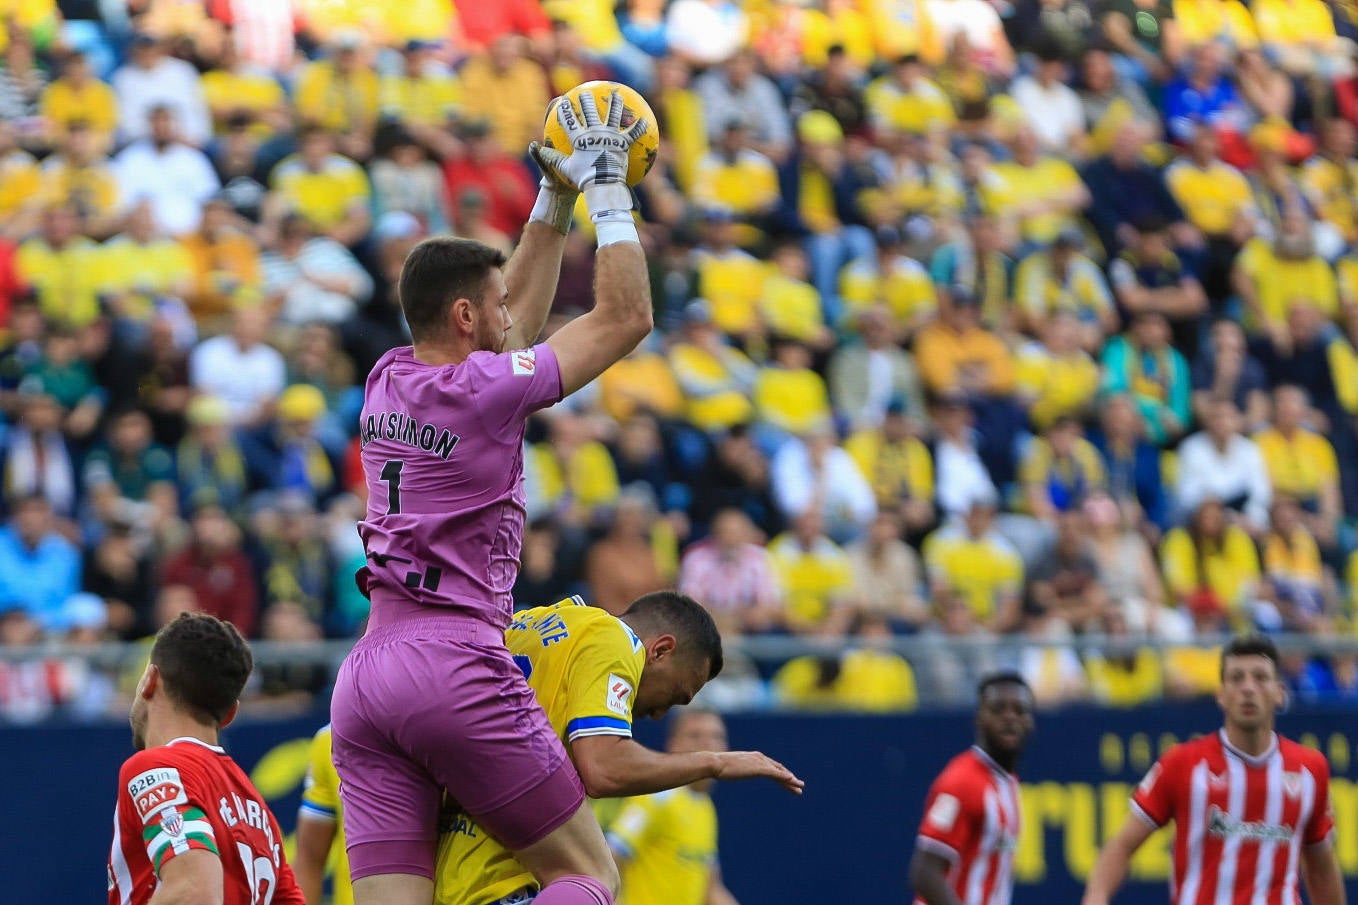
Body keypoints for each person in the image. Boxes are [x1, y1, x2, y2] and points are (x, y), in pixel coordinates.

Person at [331, 91, 665, 905]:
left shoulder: (389, 373)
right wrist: (608, 191)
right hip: (454, 661)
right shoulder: (481, 389)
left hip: (367, 677)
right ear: (464, 314)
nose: (511, 314)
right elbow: (626, 316)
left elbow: (503, 319)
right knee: (587, 874)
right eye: (494, 305)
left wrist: (552, 202)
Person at [434, 594, 801, 905]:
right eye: (675, 696)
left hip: (442, 864)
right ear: (661, 650)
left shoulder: (537, 620)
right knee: (597, 877)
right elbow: (604, 767)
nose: (659, 714)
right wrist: (716, 763)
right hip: (496, 883)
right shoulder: (616, 639)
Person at [1082, 635, 1345, 905]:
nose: (1248, 688)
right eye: (1237, 678)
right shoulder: (1182, 763)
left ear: (1279, 693)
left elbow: (1321, 867)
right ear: (1221, 695)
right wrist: (1096, 897)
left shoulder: (1310, 769)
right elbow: (1120, 847)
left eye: (1260, 677)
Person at [106, 612, 305, 905]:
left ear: (150, 679)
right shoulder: (257, 810)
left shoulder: (156, 768)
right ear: (230, 714)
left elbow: (194, 892)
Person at [908, 672, 1036, 905]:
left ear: (1031, 721)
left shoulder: (1007, 781)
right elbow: (924, 872)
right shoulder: (961, 781)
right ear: (979, 717)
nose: (1010, 718)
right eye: (998, 709)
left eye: (1020, 710)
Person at [606, 709, 746, 905]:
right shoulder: (656, 799)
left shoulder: (705, 808)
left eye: (716, 736)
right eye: (695, 735)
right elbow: (609, 859)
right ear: (673, 744)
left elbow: (711, 888)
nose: (708, 744)